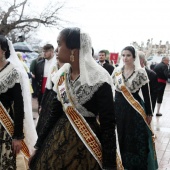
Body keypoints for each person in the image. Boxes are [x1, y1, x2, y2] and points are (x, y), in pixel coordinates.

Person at [29, 27, 119, 170]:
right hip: (56, 141)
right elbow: (54, 114)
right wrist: (39, 146)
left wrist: (109, 165)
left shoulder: (99, 78)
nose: (56, 50)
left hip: (85, 146)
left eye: (59, 44)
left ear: (73, 50)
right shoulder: (62, 75)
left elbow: (108, 124)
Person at [112, 46, 158, 169]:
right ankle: (122, 163)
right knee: (121, 134)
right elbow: (115, 92)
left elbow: (147, 94)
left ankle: (136, 164)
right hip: (119, 108)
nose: (125, 58)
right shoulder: (117, 71)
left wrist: (149, 113)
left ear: (134, 57)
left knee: (135, 136)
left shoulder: (141, 72)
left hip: (134, 109)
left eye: (128, 55)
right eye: (123, 55)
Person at [0, 35, 37, 169]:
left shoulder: (13, 72)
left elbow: (19, 106)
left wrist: (17, 136)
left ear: (4, 49)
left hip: (4, 125)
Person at [36, 59, 63, 136]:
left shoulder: (68, 68)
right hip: (50, 98)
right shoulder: (53, 67)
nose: (58, 53)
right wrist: (42, 104)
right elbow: (47, 87)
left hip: (61, 100)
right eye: (56, 51)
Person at [35, 44, 56, 112]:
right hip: (41, 91)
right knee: (40, 111)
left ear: (52, 52)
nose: (44, 53)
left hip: (52, 91)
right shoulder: (39, 63)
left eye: (46, 51)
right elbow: (37, 78)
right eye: (43, 51)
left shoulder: (57, 63)